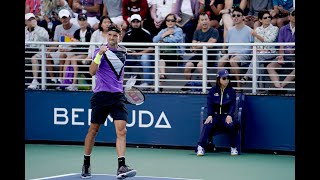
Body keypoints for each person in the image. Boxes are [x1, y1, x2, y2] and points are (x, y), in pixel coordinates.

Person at [81, 25, 137, 179]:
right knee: (93, 130)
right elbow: (92, 72)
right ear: (106, 35)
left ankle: (121, 166)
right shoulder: (100, 51)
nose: (111, 38)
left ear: (119, 36)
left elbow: (118, 73)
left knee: (122, 131)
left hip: (117, 96)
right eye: (109, 35)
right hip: (101, 95)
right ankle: (86, 163)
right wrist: (99, 54)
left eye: (115, 35)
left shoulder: (123, 51)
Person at [195, 69, 240, 156]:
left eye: (228, 78)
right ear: (218, 79)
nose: (226, 80)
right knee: (207, 124)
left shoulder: (231, 91)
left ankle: (233, 147)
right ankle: (200, 147)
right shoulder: (213, 90)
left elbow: (233, 105)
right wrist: (210, 115)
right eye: (224, 78)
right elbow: (210, 103)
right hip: (215, 116)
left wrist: (230, 115)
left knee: (231, 125)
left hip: (226, 116)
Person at [122, 14, 155, 88]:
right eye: (134, 22)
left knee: (145, 58)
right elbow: (123, 48)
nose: (136, 23)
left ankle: (148, 83)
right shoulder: (127, 34)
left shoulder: (146, 33)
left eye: (137, 22)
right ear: (131, 23)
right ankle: (130, 79)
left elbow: (151, 48)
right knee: (121, 58)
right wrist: (130, 52)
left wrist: (138, 53)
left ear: (141, 22)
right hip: (131, 56)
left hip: (143, 56)